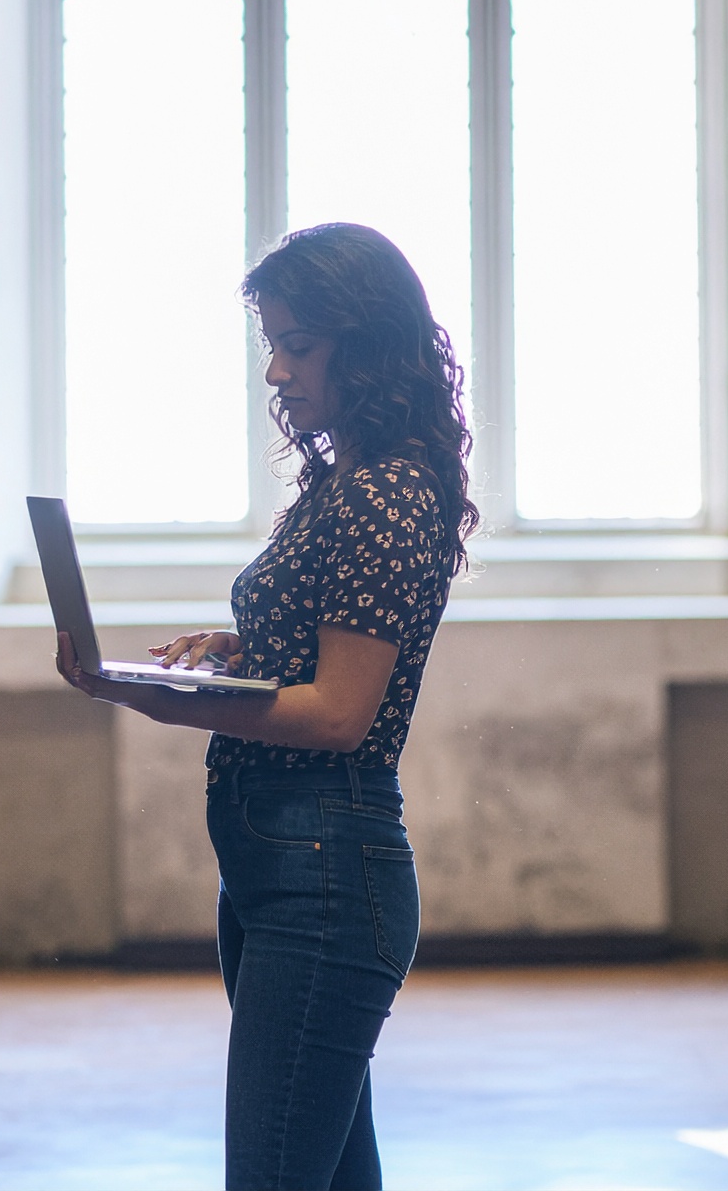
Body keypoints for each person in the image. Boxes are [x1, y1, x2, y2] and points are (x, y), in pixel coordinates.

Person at [56, 221, 477, 1191]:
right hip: (284, 871)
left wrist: (174, 704)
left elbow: (339, 714)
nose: (277, 373)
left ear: (363, 346)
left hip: (325, 878)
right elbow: (335, 644)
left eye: (297, 345)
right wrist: (239, 652)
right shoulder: (352, 482)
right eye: (272, 346)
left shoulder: (385, 492)